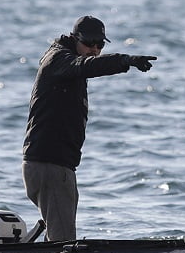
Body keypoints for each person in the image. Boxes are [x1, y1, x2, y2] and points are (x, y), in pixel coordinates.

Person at [22, 15, 157, 241]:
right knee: (63, 243)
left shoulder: (66, 64)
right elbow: (85, 65)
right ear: (75, 38)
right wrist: (126, 60)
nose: (94, 49)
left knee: (57, 236)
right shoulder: (59, 60)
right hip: (49, 166)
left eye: (100, 45)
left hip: (55, 165)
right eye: (89, 43)